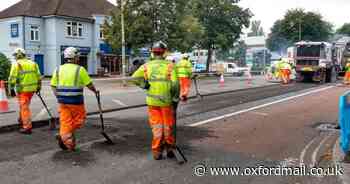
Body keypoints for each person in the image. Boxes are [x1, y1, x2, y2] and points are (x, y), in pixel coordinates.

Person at [132, 41, 179, 160]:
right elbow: (175, 85)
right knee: (168, 126)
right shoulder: (170, 66)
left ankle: (157, 152)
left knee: (157, 127)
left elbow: (134, 78)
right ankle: (169, 148)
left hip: (152, 103)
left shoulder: (146, 66)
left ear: (153, 53)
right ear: (164, 53)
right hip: (166, 102)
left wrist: (145, 85)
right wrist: (175, 100)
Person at [51, 47, 98, 151]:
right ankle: (64, 135)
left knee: (65, 121)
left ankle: (67, 143)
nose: (78, 58)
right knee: (80, 120)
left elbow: (53, 86)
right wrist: (95, 91)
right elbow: (89, 84)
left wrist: (58, 96)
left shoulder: (57, 69)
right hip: (76, 101)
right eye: (77, 56)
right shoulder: (80, 69)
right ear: (75, 57)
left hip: (62, 101)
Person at [8, 48, 41, 134]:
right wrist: (38, 87)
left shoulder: (16, 64)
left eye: (15, 56)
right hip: (32, 90)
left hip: (23, 90)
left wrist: (11, 88)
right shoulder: (33, 63)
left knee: (24, 108)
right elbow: (38, 76)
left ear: (18, 55)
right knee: (24, 106)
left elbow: (12, 78)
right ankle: (21, 119)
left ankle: (27, 127)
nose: (15, 57)